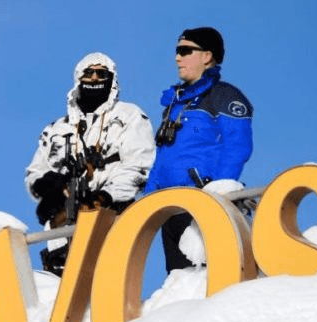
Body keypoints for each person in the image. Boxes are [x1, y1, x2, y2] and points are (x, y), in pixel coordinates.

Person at [25, 52, 155, 276]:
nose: (95, 78)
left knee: (107, 281)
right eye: (89, 72)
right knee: (63, 288)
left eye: (101, 73)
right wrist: (52, 186)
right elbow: (35, 174)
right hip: (62, 222)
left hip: (111, 213)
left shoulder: (129, 116)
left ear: (112, 79)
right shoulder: (57, 129)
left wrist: (105, 196)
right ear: (78, 77)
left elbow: (140, 166)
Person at [143, 27, 253, 272]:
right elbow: (163, 157)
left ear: (206, 56)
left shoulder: (224, 96)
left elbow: (237, 146)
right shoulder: (175, 104)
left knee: (210, 280)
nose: (177, 58)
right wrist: (146, 202)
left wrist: (217, 193)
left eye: (185, 51)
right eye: (177, 51)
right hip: (168, 208)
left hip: (201, 204)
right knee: (180, 282)